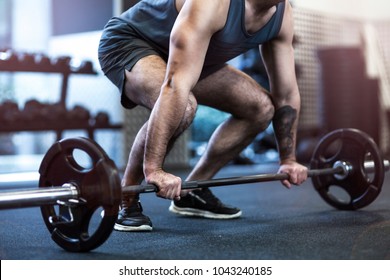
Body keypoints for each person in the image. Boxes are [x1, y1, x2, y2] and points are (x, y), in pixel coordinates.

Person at [98, 0, 308, 232]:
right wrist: (154, 169)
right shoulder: (213, 3)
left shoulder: (282, 14)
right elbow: (175, 86)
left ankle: (192, 191)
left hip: (195, 55)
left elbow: (286, 94)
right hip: (130, 42)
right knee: (184, 106)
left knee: (260, 108)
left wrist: (288, 159)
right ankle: (124, 197)